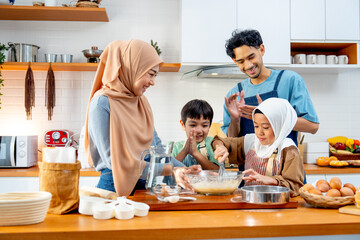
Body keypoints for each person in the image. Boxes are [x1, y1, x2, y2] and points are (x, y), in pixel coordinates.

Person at [84, 40, 197, 197]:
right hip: (113, 186)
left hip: (144, 185)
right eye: (151, 74)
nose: (153, 82)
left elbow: (157, 148)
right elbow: (113, 161)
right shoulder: (102, 103)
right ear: (132, 67)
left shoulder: (141, 102)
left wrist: (185, 170)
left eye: (155, 76)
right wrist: (170, 169)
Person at [222, 29, 319, 144]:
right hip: (248, 161)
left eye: (251, 57)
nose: (248, 65)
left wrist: (270, 117)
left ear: (261, 49)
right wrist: (235, 119)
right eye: (241, 61)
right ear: (234, 61)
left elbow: (312, 126)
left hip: (283, 160)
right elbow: (231, 140)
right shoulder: (234, 94)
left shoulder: (289, 80)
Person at [213, 98, 304, 197]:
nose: (259, 132)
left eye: (265, 127)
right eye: (256, 126)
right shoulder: (251, 141)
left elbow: (295, 187)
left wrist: (273, 180)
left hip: (275, 204)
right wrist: (221, 147)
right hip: (249, 200)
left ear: (279, 125)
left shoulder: (288, 149)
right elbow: (219, 141)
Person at [172, 99, 219, 170]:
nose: (199, 131)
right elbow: (168, 171)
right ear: (183, 125)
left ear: (209, 126)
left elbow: (218, 172)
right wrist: (185, 151)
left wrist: (195, 153)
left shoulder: (214, 143)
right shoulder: (176, 147)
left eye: (204, 125)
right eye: (193, 125)